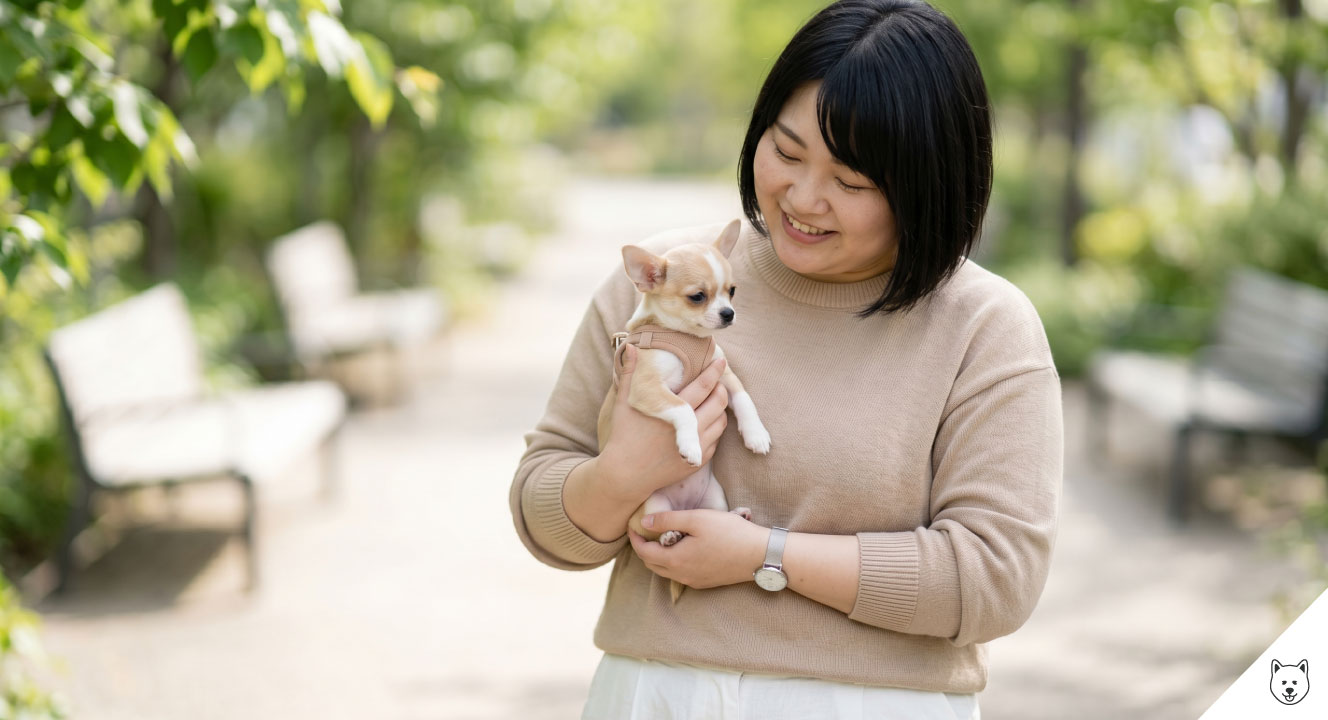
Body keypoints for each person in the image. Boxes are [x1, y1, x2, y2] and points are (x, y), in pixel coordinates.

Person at [508, 0, 1063, 717]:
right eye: (787, 152)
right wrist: (621, 475)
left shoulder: (985, 326)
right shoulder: (669, 281)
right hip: (654, 696)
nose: (803, 198)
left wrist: (764, 556)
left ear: (926, 183)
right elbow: (541, 512)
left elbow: (995, 579)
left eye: (851, 182)